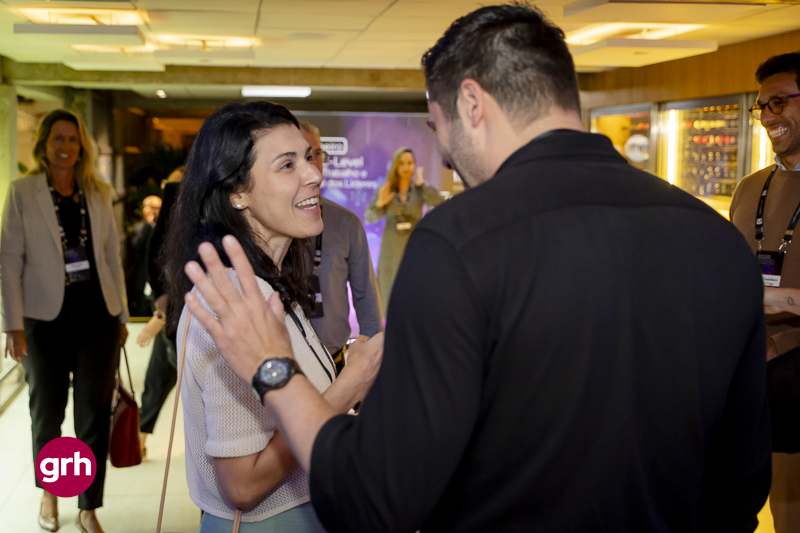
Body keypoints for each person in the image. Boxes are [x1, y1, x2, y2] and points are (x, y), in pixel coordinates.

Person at [183, 5, 772, 532]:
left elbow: (379, 501)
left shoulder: (460, 243)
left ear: (471, 103)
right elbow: (741, 485)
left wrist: (275, 371)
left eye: (437, 126)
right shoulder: (717, 240)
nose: (443, 153)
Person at [161, 100, 382, 532]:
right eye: (287, 165)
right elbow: (242, 484)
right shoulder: (238, 299)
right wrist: (350, 384)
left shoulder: (270, 283)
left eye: (310, 158)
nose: (313, 174)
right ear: (237, 193)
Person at [0, 109, 129, 533]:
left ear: (81, 147)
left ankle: (88, 506)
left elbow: (110, 256)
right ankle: (51, 492)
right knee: (47, 412)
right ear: (44, 143)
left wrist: (121, 314)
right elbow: (9, 260)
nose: (66, 147)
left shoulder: (98, 191)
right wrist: (12, 325)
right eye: (58, 138)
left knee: (93, 414)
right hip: (43, 321)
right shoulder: (22, 191)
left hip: (97, 318)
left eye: (73, 139)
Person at [729, 51, 800, 533]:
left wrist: (781, 303)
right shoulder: (750, 186)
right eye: (762, 107)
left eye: (779, 102)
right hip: (759, 380)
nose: (768, 116)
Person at [297, 120, 383, 371]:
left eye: (317, 154)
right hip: (284, 369)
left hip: (334, 363)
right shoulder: (268, 223)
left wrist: (370, 364)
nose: (313, 164)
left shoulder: (346, 223)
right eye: (303, 157)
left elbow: (366, 298)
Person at [137, 166, 183, 457]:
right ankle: (138, 439)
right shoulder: (172, 221)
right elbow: (155, 258)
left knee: (159, 380)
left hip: (176, 316)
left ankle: (139, 439)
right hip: (173, 317)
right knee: (157, 380)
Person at [365, 147, 443, 315]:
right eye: (402, 163)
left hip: (414, 247)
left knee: (414, 291)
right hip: (391, 249)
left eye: (410, 163)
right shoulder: (385, 188)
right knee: (389, 294)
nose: (406, 167)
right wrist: (380, 203)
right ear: (395, 165)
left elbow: (439, 201)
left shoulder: (420, 188)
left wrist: (422, 185)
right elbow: (369, 217)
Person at [125, 194, 162, 316]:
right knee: (142, 310)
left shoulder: (165, 228)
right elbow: (138, 245)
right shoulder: (138, 229)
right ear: (144, 209)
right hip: (142, 277)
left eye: (158, 208)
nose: (155, 211)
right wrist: (148, 224)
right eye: (152, 207)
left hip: (160, 279)